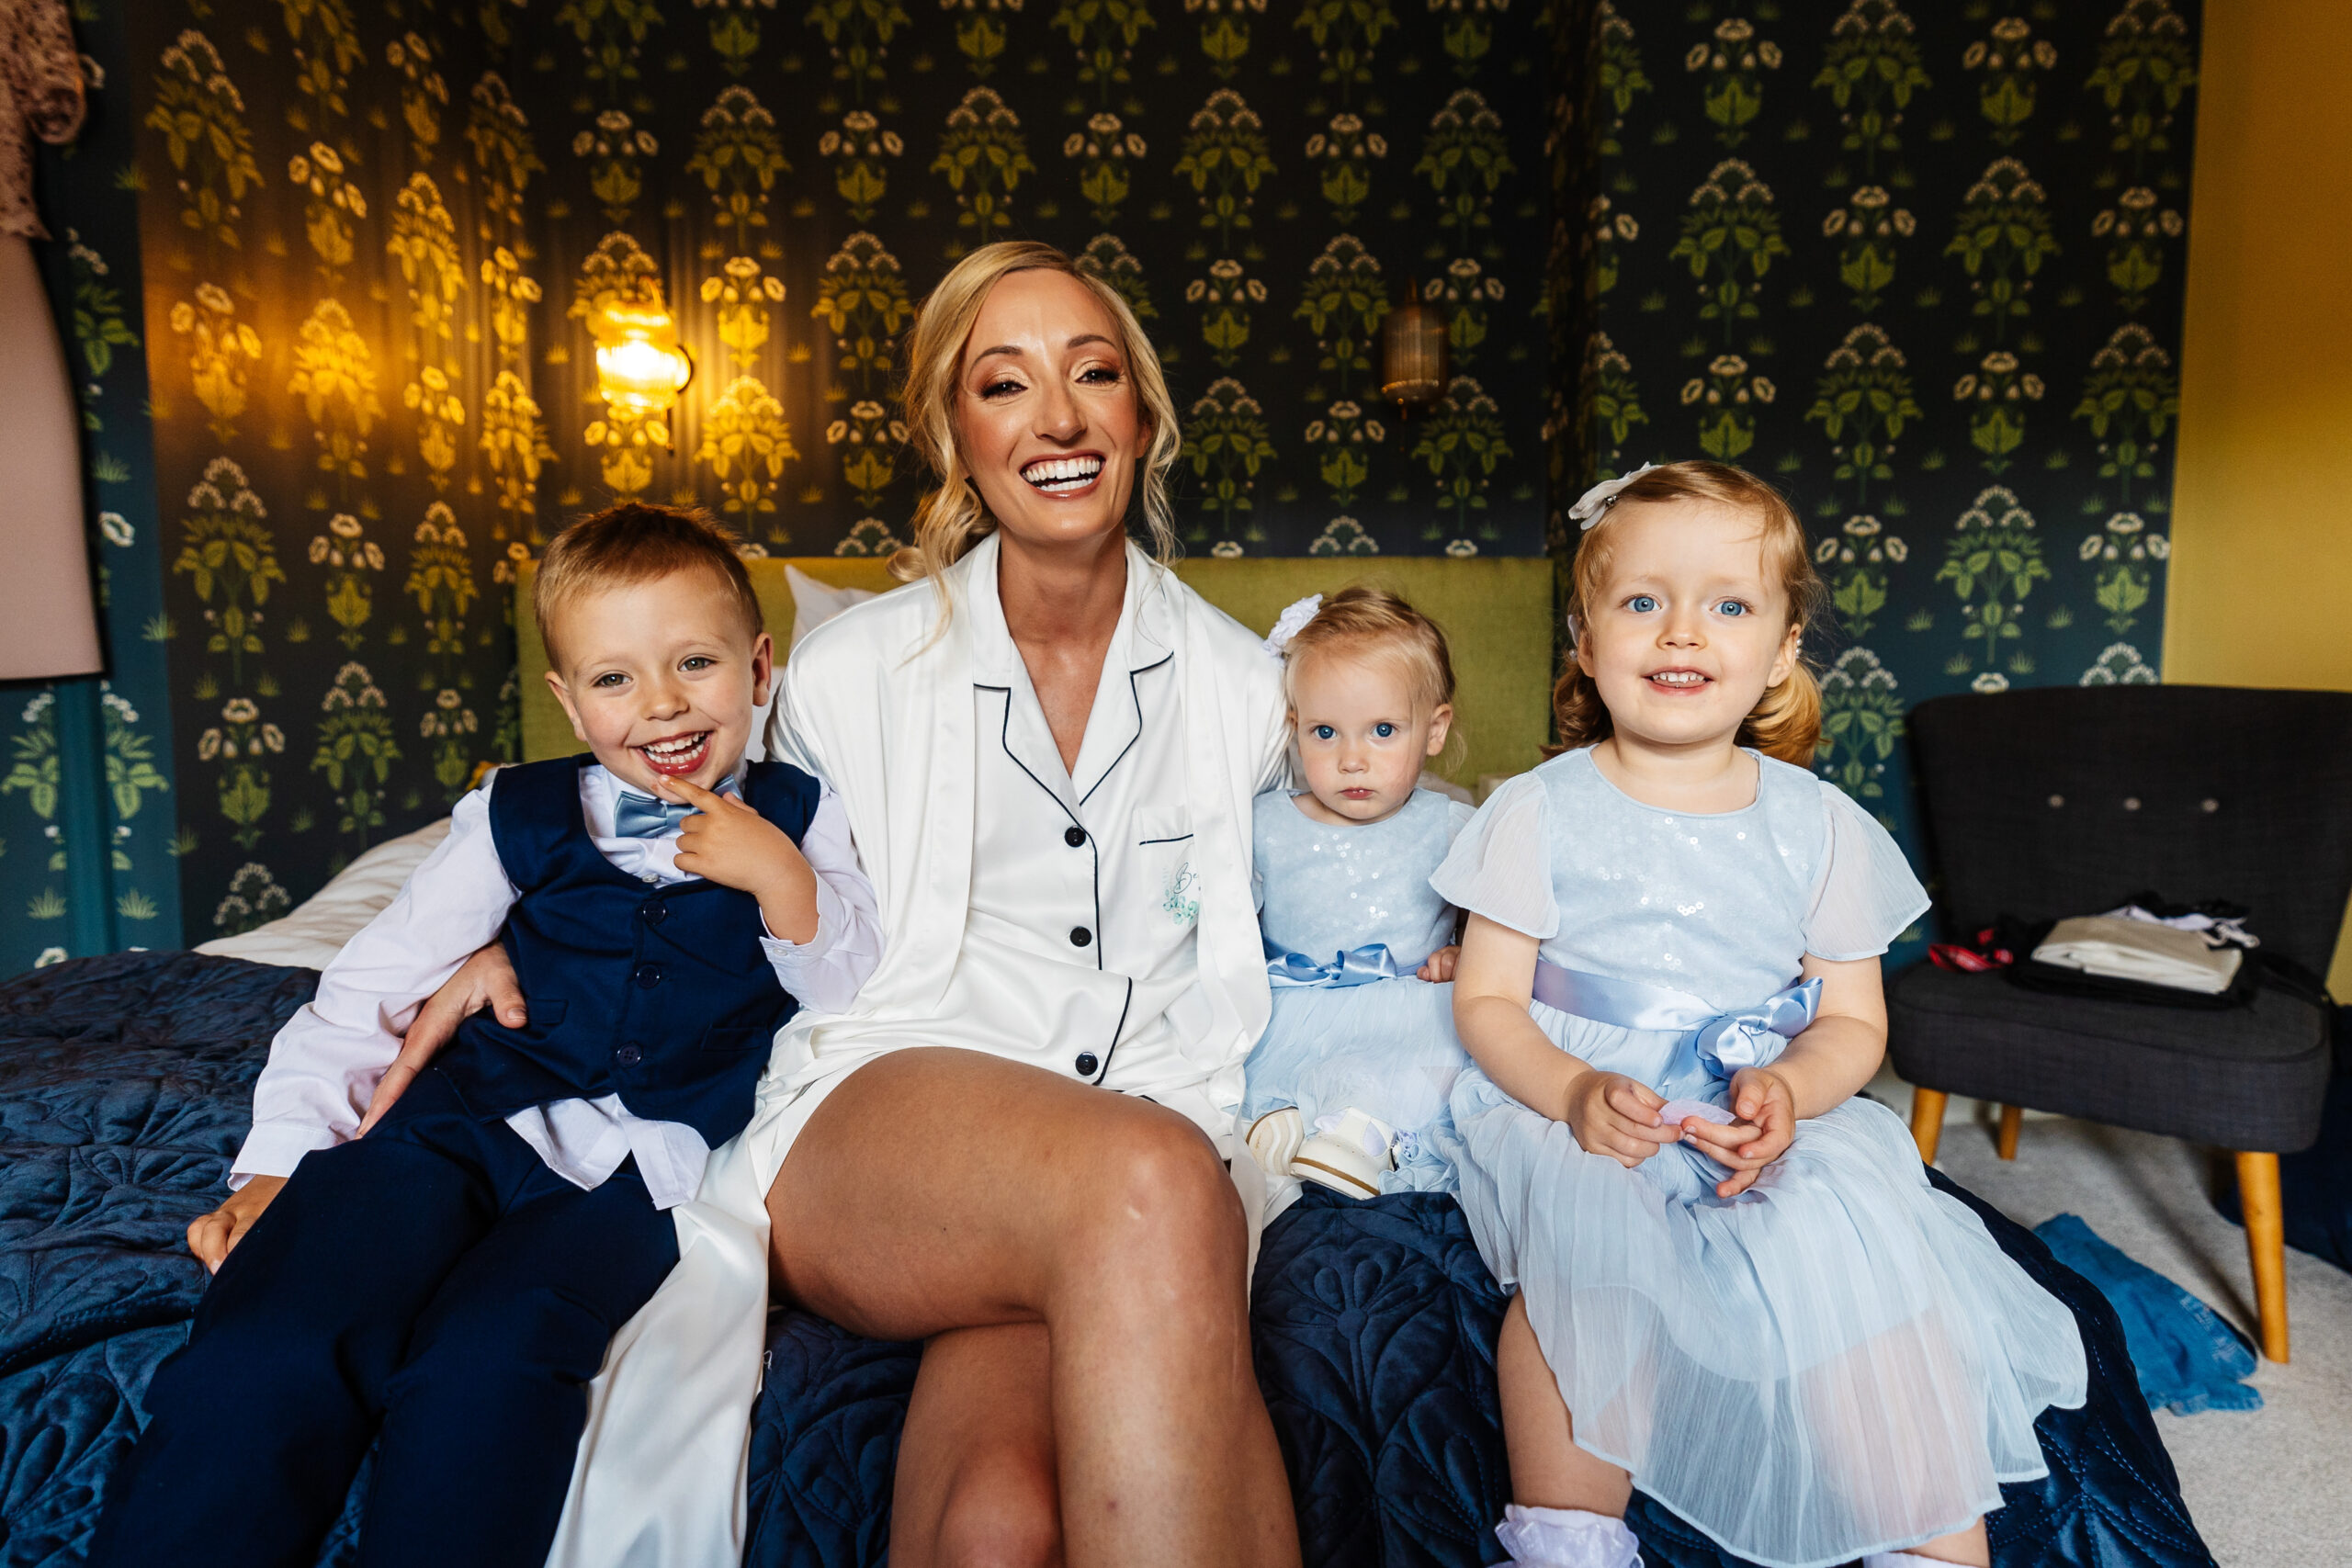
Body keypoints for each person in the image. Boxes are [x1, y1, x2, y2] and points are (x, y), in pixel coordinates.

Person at [385, 241, 1302, 1568]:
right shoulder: (846, 671)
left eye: (1092, 372)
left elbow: (1358, 887)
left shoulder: (1240, 687)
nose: (1057, 416)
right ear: (954, 433)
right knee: (1152, 1180)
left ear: (1142, 415)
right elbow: (683, 838)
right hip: (887, 1113)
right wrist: (510, 939)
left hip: (1127, 1126)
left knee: (1000, 1521)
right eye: (1005, 384)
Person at [94, 507, 881, 1568]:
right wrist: (278, 1162)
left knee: (494, 1362)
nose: (660, 706)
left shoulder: (809, 813)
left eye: (694, 663)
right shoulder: (514, 813)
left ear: (759, 667)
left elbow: (860, 988)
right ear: (566, 700)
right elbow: (365, 991)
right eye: (614, 680)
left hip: (636, 1175)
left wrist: (782, 878)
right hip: (458, 1120)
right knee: (281, 1325)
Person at [1437, 462, 2087, 1568]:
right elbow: (1487, 1000)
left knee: (1861, 1258)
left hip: (1759, 1101)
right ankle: (1571, 1540)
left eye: (1728, 605)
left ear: (1782, 650)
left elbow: (1851, 1026)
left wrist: (1788, 1089)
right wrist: (1574, 1093)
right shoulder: (1535, 811)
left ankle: (1922, 1543)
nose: (1680, 631)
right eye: (1642, 602)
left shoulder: (1820, 824)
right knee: (1580, 1271)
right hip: (1594, 1097)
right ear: (1586, 644)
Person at [1239, 586, 1477, 1199]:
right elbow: (1217, 913)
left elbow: (1498, 921)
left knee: (1425, 1051)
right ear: (1294, 731)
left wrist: (1463, 949)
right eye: (1325, 731)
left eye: (1382, 730)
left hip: (1405, 1007)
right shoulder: (1265, 822)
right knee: (1244, 1054)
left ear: (1433, 729)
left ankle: (1363, 1136)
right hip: (1291, 1005)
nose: (1352, 759)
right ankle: (1276, 1121)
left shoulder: (1450, 823)